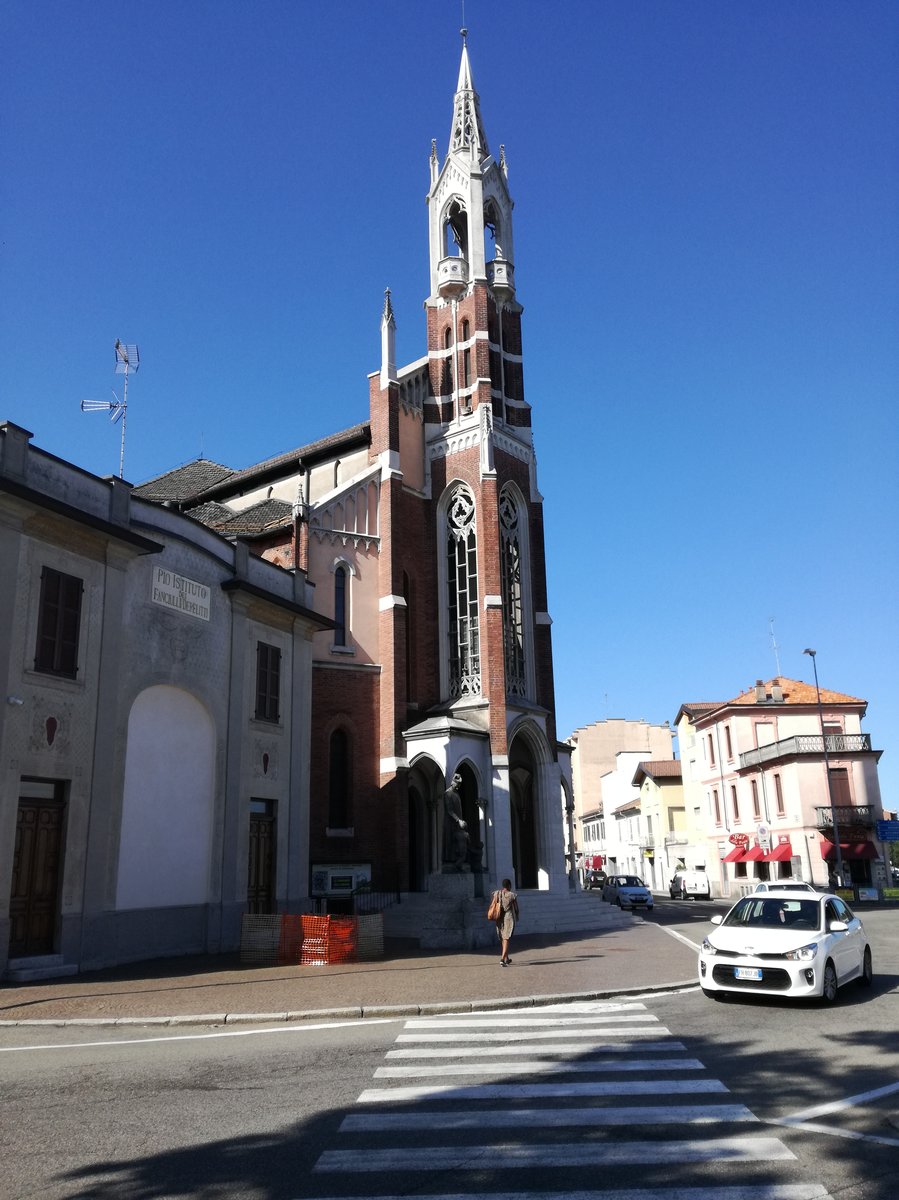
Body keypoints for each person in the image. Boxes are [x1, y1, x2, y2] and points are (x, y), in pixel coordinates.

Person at [494, 877, 519, 966]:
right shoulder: (512, 895)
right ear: (509, 885)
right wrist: (517, 915)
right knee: (506, 938)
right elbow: (516, 908)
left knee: (503, 937)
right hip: (508, 917)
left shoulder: (497, 893)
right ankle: (502, 959)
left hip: (499, 917)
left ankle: (506, 958)